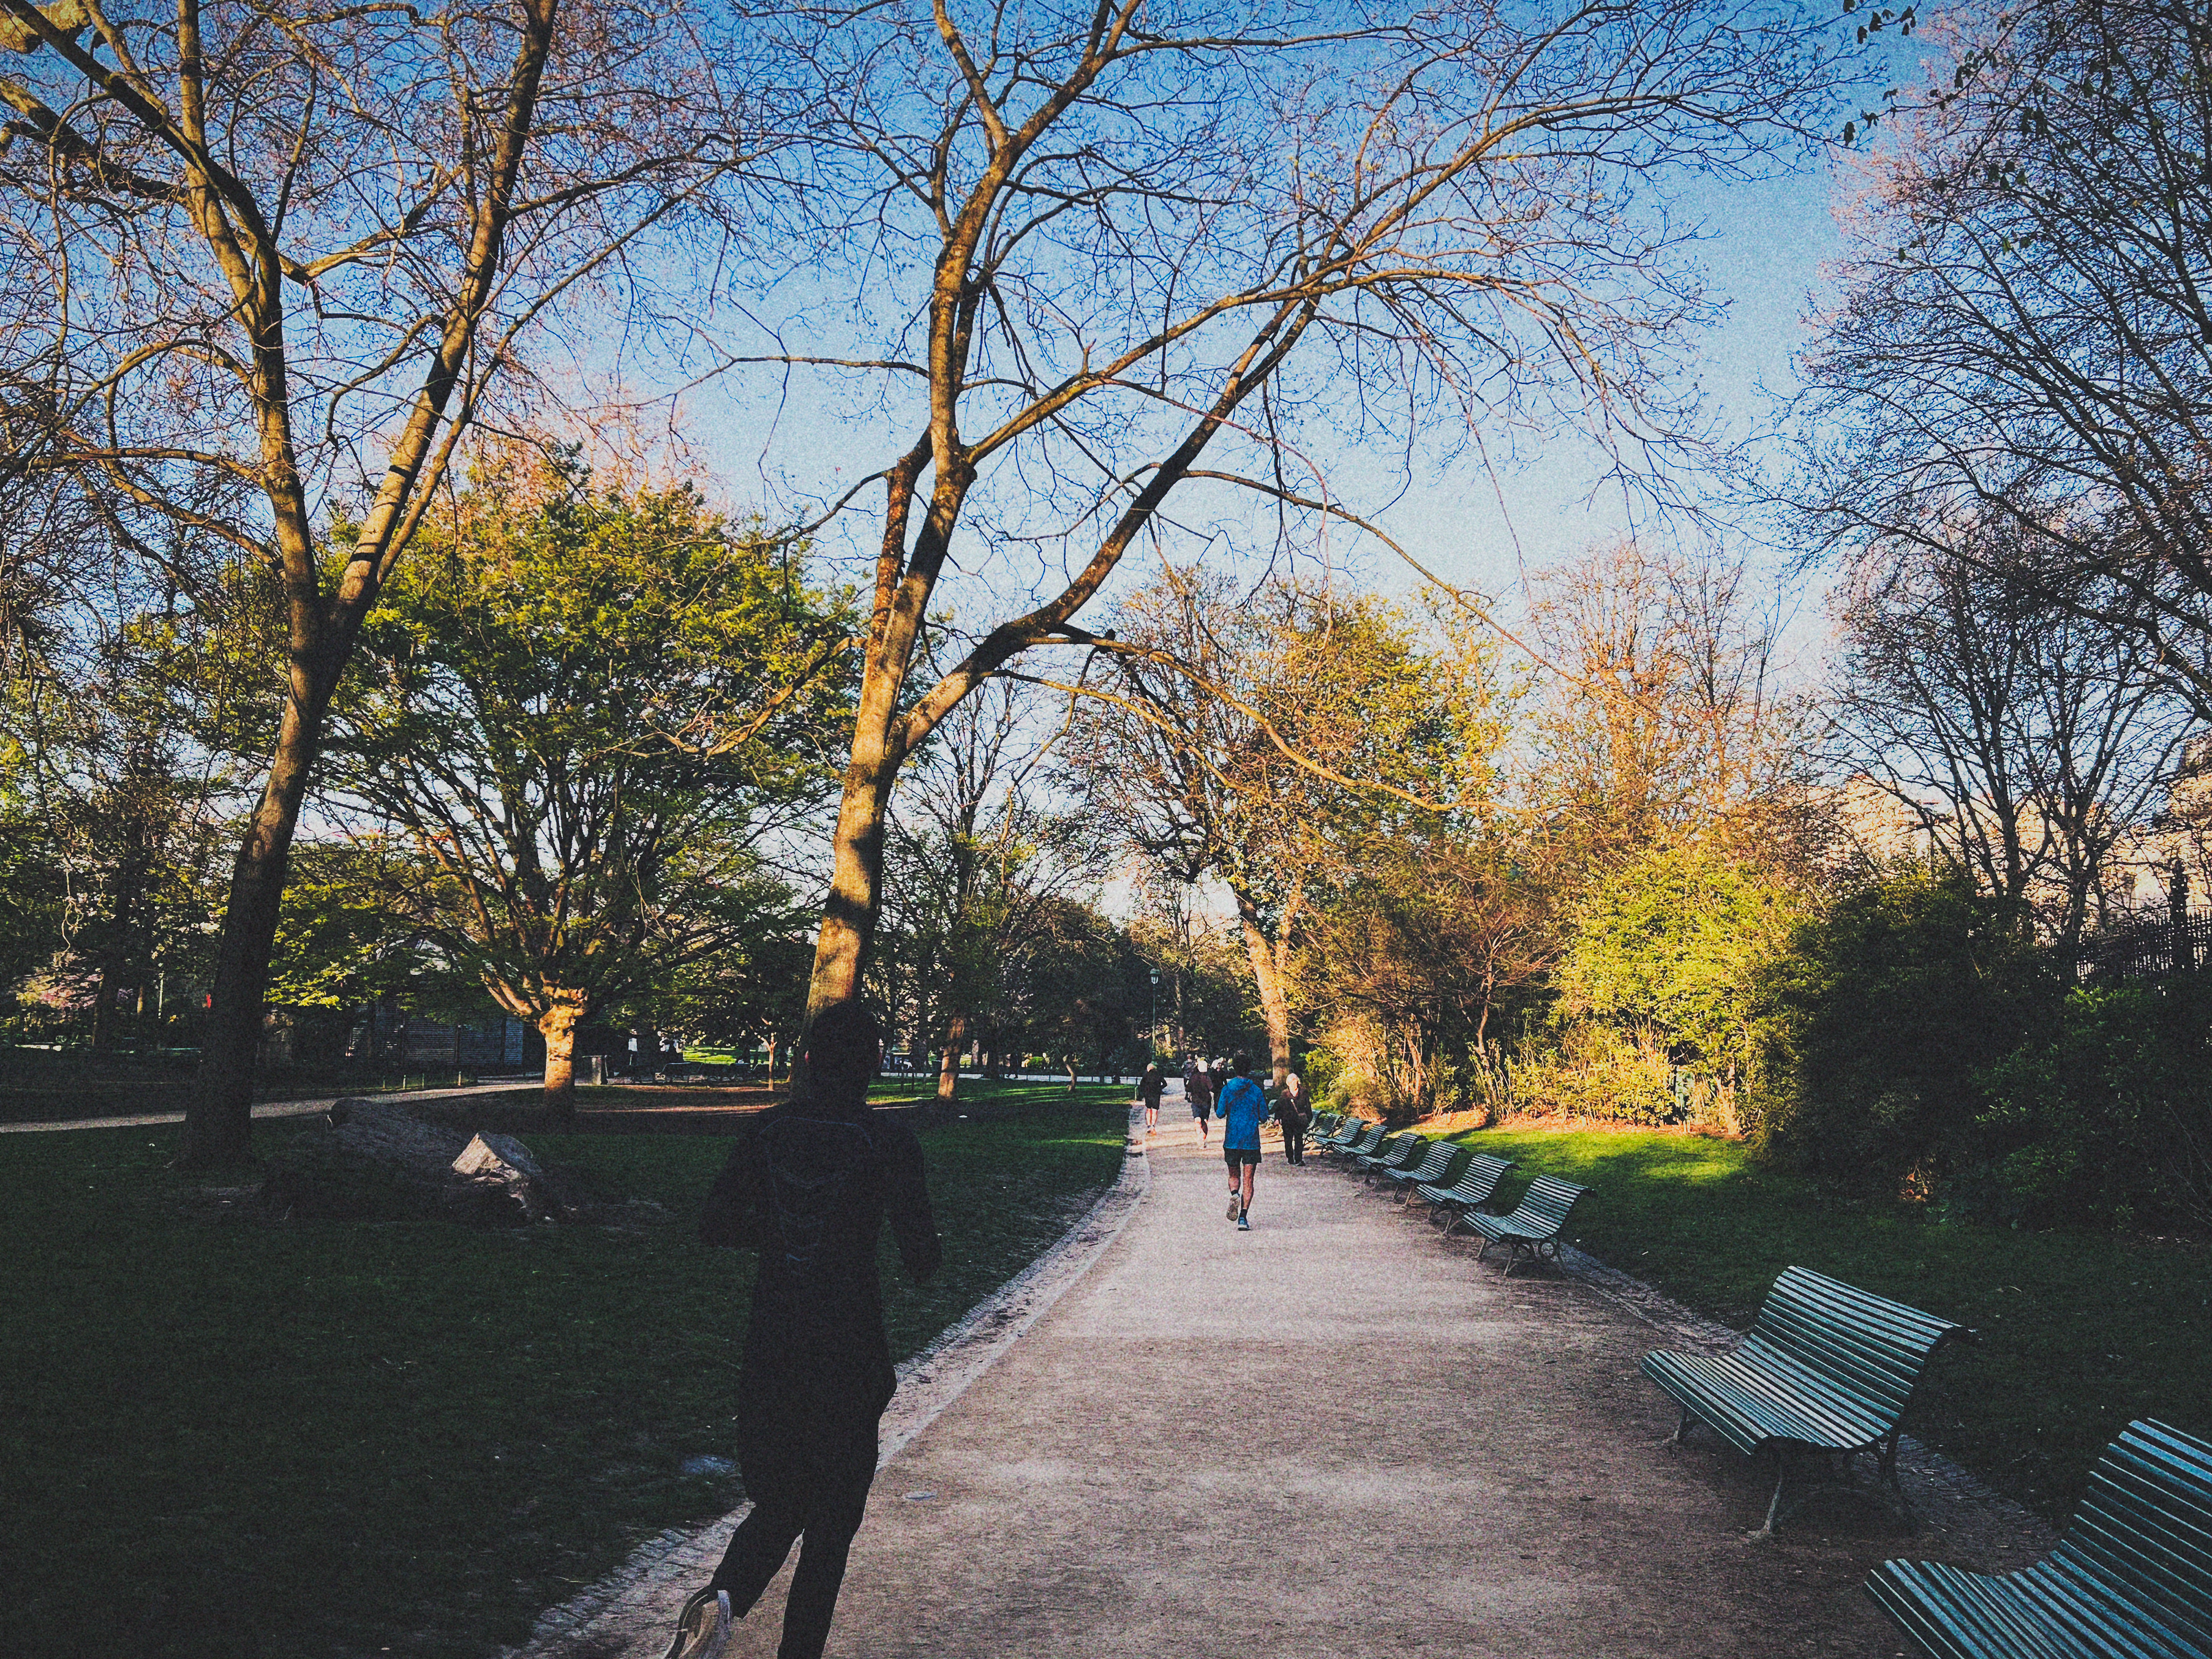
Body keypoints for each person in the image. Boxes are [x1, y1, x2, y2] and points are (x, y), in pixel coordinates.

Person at [676, 1001, 941, 1659]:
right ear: (874, 1064)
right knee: (829, 1532)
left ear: (805, 1060)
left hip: (772, 1347)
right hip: (849, 1353)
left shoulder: (765, 1132)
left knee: (778, 1508)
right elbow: (924, 1260)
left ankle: (717, 1607)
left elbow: (713, 1225)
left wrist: (780, 1235)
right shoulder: (888, 1142)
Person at [1214, 1054, 1271, 1230]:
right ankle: (1243, 1218)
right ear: (1249, 1069)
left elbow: (1220, 1113)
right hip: (1251, 1140)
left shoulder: (1227, 1089)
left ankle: (1234, 1194)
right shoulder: (1256, 1091)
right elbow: (1263, 1117)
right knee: (1249, 1179)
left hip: (1232, 1139)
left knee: (1233, 1175)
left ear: (1234, 1069)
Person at [1276, 1068, 1312, 1165]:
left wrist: (1309, 1118)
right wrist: (1277, 1119)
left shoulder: (1303, 1093)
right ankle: (1290, 1157)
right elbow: (1279, 1107)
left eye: (1295, 1082)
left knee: (1299, 1139)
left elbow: (1308, 1106)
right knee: (1288, 1140)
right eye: (1292, 1082)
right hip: (1287, 1120)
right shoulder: (1284, 1094)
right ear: (1288, 1084)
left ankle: (1299, 1159)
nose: (1294, 1084)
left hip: (1299, 1120)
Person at [1184, 1055, 1213, 1143]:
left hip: (1196, 1100)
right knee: (1205, 1121)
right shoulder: (1207, 1078)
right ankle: (1203, 1138)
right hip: (1206, 1101)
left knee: (1197, 1119)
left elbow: (1187, 1088)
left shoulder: (1193, 1077)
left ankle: (1199, 1134)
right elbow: (1212, 1088)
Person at [1137, 1061, 1166, 1135]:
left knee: (1148, 1109)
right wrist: (1160, 1088)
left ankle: (1148, 1125)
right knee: (1155, 1110)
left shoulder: (1146, 1075)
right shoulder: (1158, 1075)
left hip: (1148, 1094)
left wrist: (1143, 1091)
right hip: (1156, 1094)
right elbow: (1165, 1083)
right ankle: (1153, 1125)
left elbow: (1141, 1085)